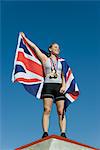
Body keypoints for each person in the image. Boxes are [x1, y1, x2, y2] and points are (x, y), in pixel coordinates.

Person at [20, 32, 68, 138]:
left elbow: (64, 75)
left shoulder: (62, 62)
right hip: (48, 86)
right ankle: (45, 133)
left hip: (59, 86)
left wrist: (64, 86)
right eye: (55, 47)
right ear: (50, 49)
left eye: (58, 47)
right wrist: (25, 38)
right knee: (47, 109)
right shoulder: (44, 59)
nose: (58, 49)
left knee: (61, 111)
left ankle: (63, 133)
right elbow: (34, 47)